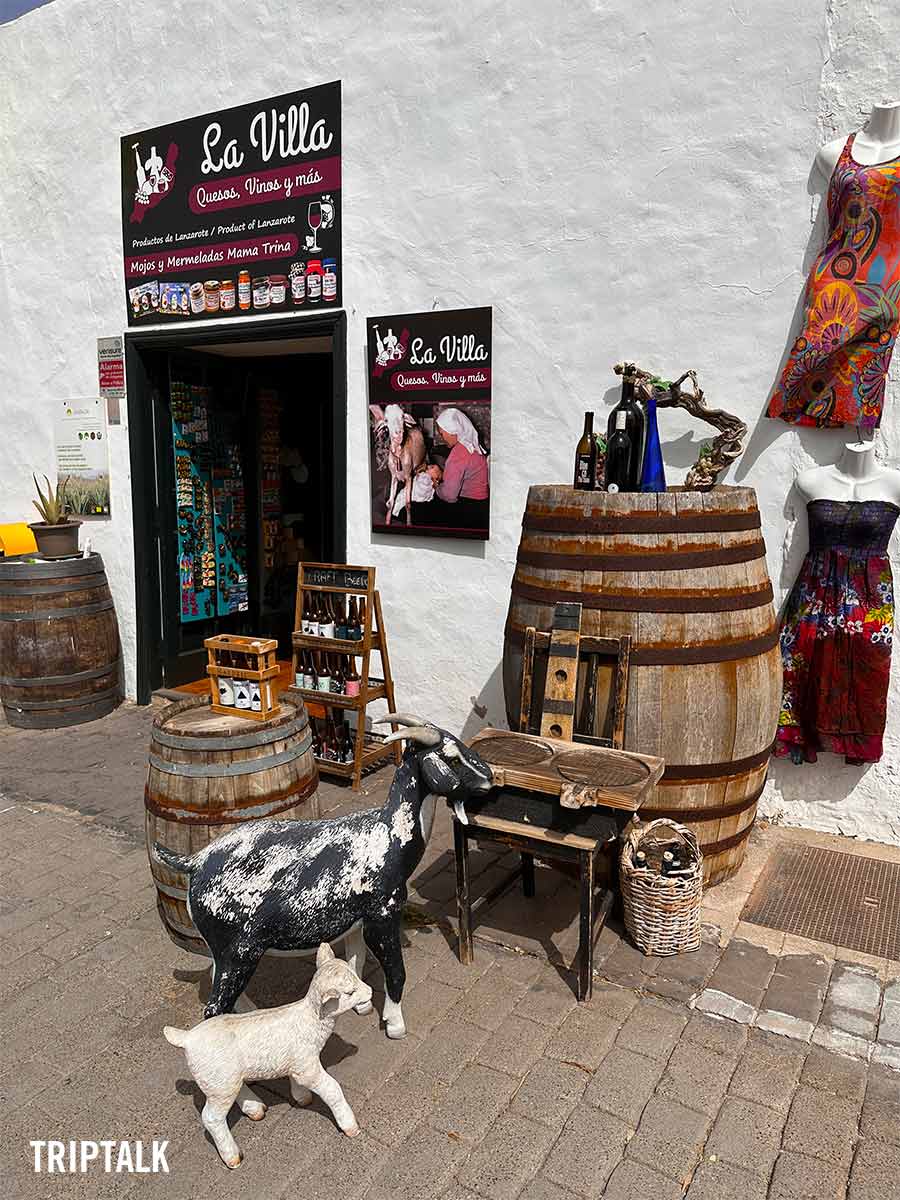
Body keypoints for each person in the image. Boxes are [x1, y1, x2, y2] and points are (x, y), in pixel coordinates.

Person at [420, 408, 489, 532]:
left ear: (453, 431)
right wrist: (442, 474)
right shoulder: (471, 443)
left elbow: (449, 496)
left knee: (419, 509)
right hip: (482, 506)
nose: (442, 438)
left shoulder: (458, 453)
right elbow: (460, 474)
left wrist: (436, 484)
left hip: (469, 511)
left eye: (442, 434)